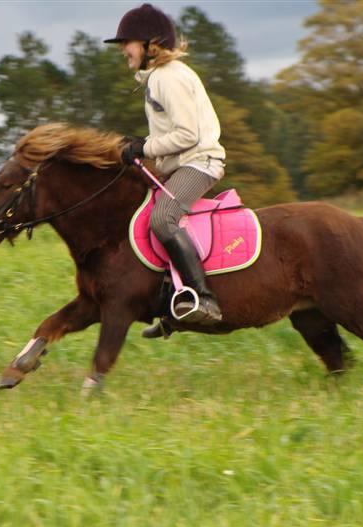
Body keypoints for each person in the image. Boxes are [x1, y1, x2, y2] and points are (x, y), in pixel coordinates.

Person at [105, 3, 226, 336]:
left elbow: (187, 134)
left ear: (149, 44)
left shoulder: (166, 78)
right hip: (183, 163)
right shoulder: (161, 77)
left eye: (126, 43)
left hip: (198, 164)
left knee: (162, 218)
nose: (123, 51)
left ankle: (204, 299)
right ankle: (172, 306)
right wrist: (143, 143)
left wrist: (144, 147)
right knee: (143, 219)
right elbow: (171, 133)